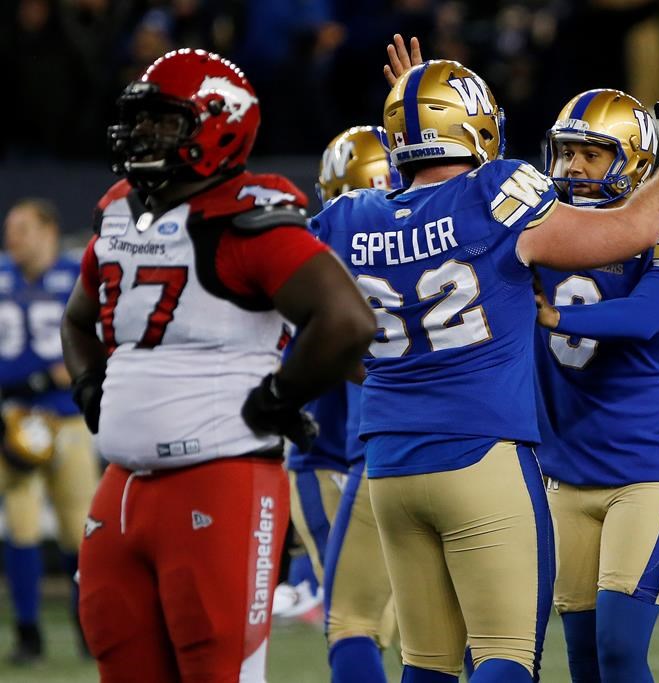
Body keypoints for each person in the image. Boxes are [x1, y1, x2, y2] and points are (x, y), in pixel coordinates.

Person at [312, 43, 659, 681]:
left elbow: (326, 326)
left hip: (388, 460)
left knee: (428, 663)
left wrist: (409, 115)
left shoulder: (348, 217)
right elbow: (630, 232)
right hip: (483, 453)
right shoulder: (497, 194)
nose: (573, 165)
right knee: (504, 655)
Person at [60, 48, 375, 683]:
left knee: (217, 670)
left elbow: (347, 321)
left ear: (218, 125)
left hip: (220, 477)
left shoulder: (250, 221)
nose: (142, 136)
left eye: (163, 122)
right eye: (141, 121)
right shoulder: (122, 212)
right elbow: (77, 318)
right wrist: (90, 383)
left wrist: (280, 398)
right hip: (121, 485)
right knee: (122, 664)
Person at [531, 87, 659, 683]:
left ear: (635, 160)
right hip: (565, 467)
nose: (574, 168)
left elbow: (643, 316)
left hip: (648, 469)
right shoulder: (541, 232)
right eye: (566, 153)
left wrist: (559, 317)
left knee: (618, 648)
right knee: (582, 658)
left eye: (593, 154)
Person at [288, 125, 400, 683]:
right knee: (399, 622)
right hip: (345, 453)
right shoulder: (428, 242)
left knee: (357, 621)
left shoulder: (317, 255)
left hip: (350, 455)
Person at [0, 198, 99, 663]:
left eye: (21, 228)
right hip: (14, 417)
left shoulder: (77, 276)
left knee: (78, 530)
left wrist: (57, 376)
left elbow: (97, 343)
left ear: (48, 230)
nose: (12, 238)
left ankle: (89, 633)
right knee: (18, 522)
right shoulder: (2, 277)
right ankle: (27, 633)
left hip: (67, 419)